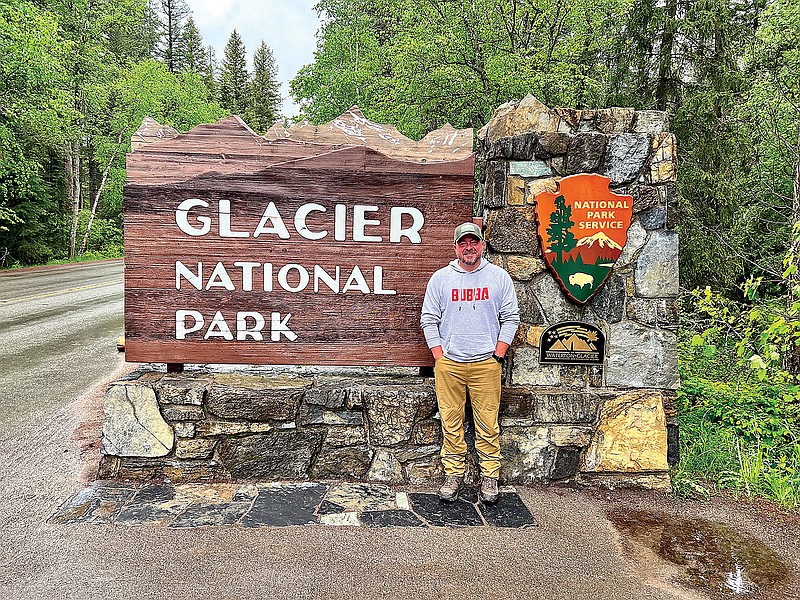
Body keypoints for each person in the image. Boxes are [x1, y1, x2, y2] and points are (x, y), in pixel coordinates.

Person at [420, 222, 520, 503]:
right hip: (450, 364)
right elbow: (429, 319)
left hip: (486, 364)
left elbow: (511, 318)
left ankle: (490, 478)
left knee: (487, 424)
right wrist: (440, 357)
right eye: (463, 243)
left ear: (482, 245)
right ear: (455, 247)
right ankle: (454, 475)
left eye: (473, 242)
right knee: (451, 423)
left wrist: (498, 354)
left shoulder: (498, 278)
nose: (469, 248)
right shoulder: (441, 279)